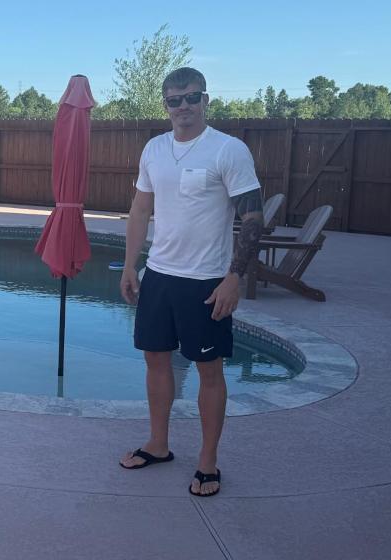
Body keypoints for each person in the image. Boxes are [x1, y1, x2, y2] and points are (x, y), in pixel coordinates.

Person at [117, 67, 265, 498]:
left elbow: (253, 218)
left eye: (191, 97)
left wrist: (234, 278)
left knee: (209, 371)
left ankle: (207, 461)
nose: (183, 106)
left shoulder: (228, 150)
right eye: (174, 100)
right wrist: (130, 265)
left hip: (205, 281)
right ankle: (158, 444)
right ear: (165, 105)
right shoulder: (154, 149)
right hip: (160, 275)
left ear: (205, 100)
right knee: (155, 360)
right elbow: (140, 210)